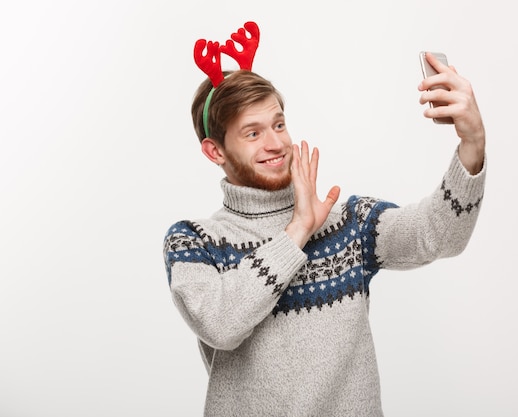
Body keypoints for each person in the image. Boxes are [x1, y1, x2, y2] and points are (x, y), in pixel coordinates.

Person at [163, 23, 486, 417]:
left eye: (279, 125)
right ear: (215, 151)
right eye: (253, 133)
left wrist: (472, 145)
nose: (276, 143)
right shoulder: (194, 241)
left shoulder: (349, 223)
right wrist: (298, 230)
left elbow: (438, 236)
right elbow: (220, 324)